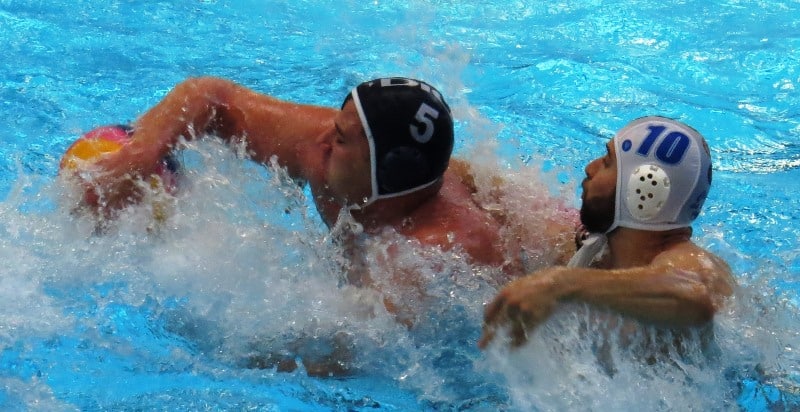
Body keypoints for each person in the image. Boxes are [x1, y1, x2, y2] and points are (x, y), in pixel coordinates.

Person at [62, 76, 578, 323]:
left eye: (343, 138)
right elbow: (211, 97)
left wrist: (213, 343)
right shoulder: (331, 151)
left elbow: (350, 355)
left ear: (385, 175)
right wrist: (141, 155)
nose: (322, 139)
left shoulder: (440, 251)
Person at [479, 116, 736, 349]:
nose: (590, 168)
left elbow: (696, 297)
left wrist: (561, 284)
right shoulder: (596, 249)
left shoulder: (691, 262)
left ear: (645, 187)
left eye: (607, 162)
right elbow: (502, 198)